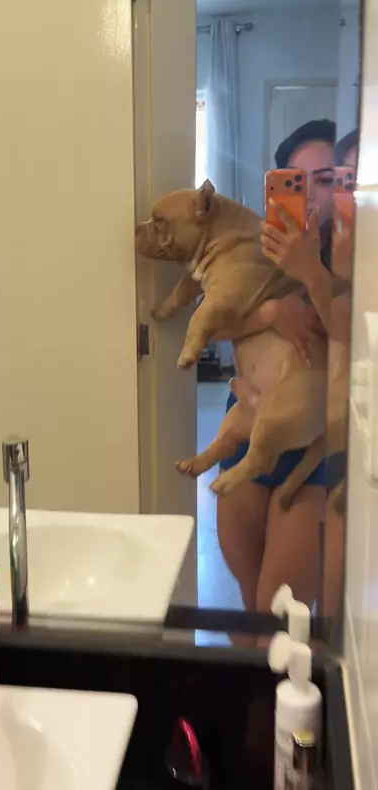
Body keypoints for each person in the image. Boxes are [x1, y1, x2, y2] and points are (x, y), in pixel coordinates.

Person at [215, 120, 336, 636]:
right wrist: (271, 314)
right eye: (296, 182)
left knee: (279, 621)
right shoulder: (257, 250)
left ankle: (281, 687)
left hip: (311, 451)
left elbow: (353, 345)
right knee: (249, 609)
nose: (311, 196)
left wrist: (311, 272)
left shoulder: (358, 256)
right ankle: (251, 690)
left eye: (324, 180)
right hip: (247, 427)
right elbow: (215, 323)